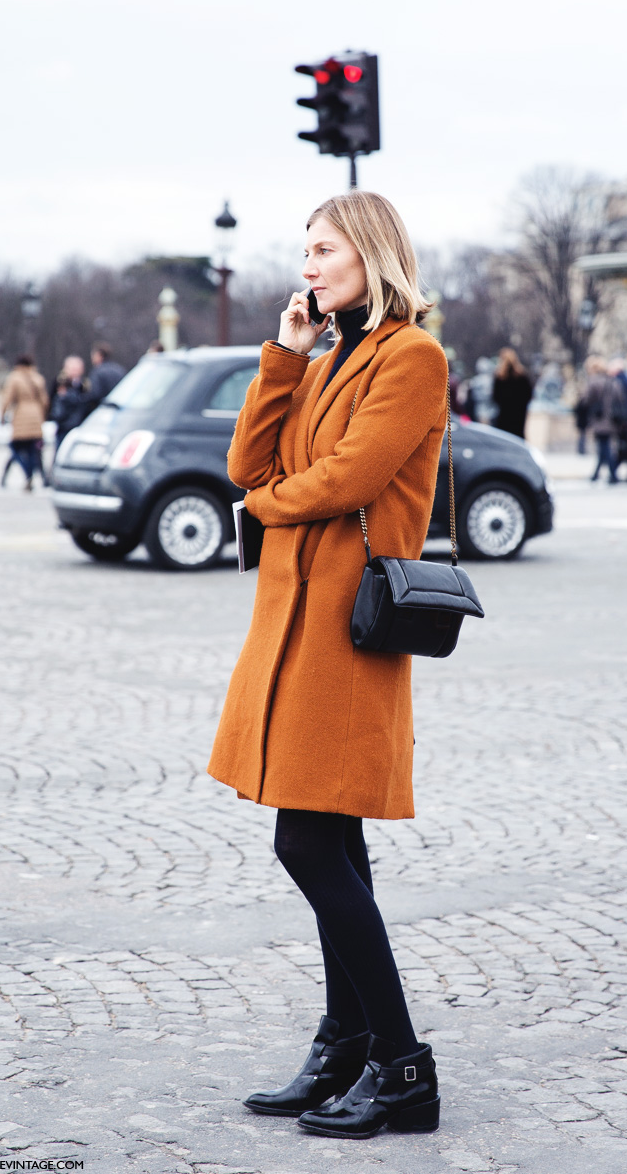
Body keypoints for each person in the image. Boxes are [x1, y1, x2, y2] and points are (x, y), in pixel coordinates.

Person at [208, 192, 448, 1140]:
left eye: (324, 248)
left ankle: (403, 1065)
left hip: (349, 627)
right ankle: (348, 1042)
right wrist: (286, 355)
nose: (308, 265)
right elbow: (244, 462)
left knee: (305, 844)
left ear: (372, 252)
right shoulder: (331, 353)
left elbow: (348, 477)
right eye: (303, 250)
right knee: (333, 845)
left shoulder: (412, 356)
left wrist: (268, 509)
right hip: (293, 620)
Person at [0, 355, 49, 492]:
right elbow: (45, 401)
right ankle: (41, 478)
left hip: (21, 415)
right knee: (35, 451)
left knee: (15, 448)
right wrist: (42, 417)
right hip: (36, 415)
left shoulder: (14, 378)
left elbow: (7, 399)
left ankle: (28, 474)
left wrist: (2, 416)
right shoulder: (38, 378)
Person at [584, 355, 627, 484]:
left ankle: (612, 474)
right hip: (612, 420)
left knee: (604, 447)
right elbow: (621, 399)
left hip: (599, 419)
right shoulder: (614, 381)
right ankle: (597, 473)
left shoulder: (594, 382)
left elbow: (586, 399)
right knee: (605, 446)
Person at [49, 355, 89, 458]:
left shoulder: (84, 384)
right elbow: (52, 400)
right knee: (60, 452)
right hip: (64, 425)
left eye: (77, 369)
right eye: (72, 369)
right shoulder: (60, 382)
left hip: (79, 425)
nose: (75, 372)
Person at [491, 347, 533, 439]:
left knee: (505, 438)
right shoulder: (522, 376)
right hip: (519, 413)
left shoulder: (500, 377)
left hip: (505, 413)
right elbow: (529, 394)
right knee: (517, 437)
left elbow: (495, 396)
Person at [85, 342, 125, 414]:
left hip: (104, 411)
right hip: (120, 410)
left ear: (100, 355)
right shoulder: (119, 369)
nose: (92, 358)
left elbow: (95, 394)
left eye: (93, 355)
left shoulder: (97, 372)